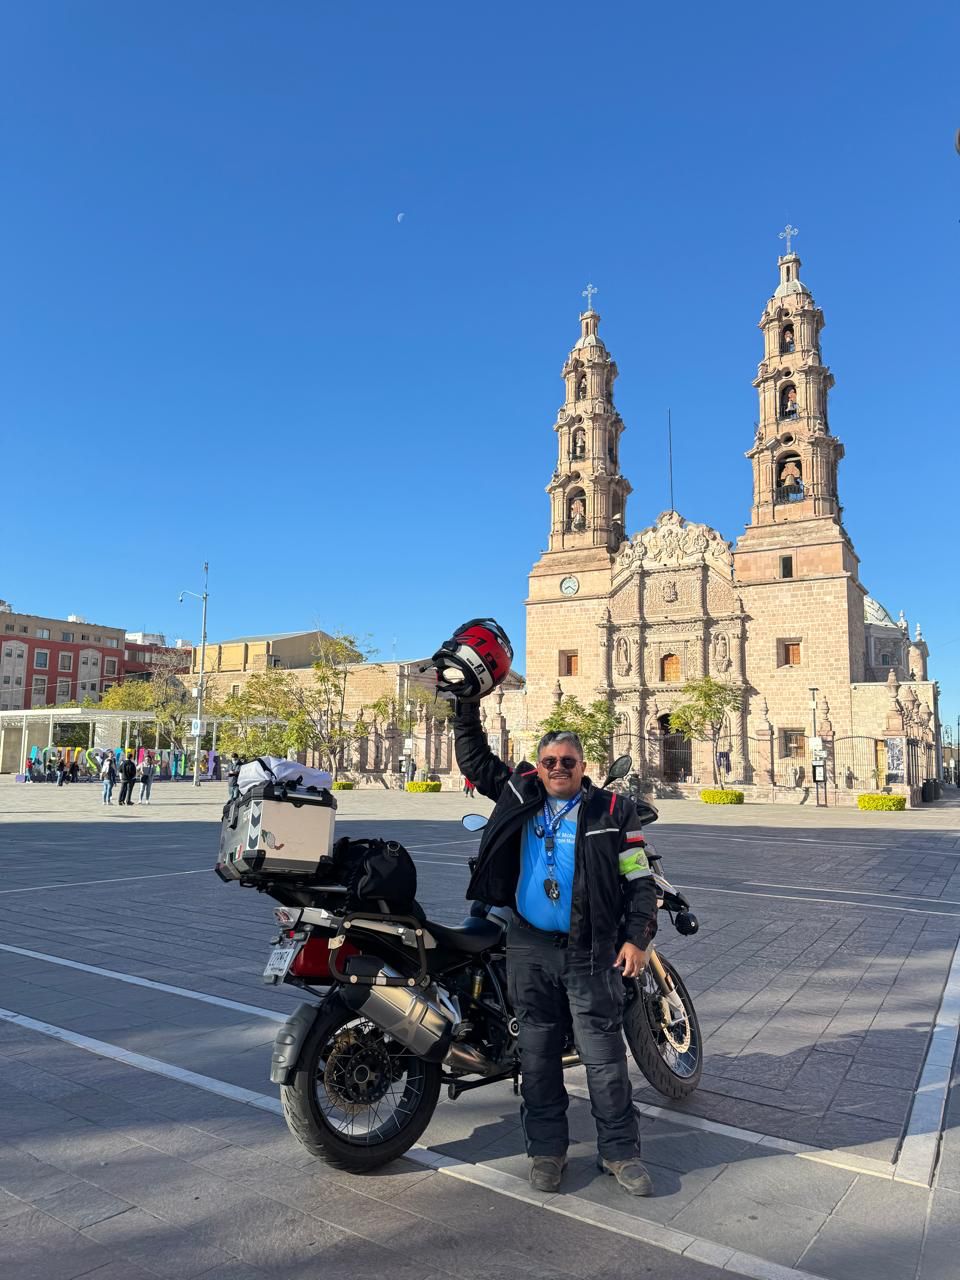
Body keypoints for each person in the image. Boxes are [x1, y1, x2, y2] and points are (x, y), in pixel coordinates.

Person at [454, 704, 657, 1198]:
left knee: (605, 1060)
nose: (559, 769)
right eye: (550, 762)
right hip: (528, 948)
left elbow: (640, 879)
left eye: (569, 761)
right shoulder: (521, 795)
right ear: (538, 766)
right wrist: (464, 706)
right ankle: (547, 1152)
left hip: (591, 953)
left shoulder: (612, 811)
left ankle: (620, 1153)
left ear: (583, 766)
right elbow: (477, 761)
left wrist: (637, 939)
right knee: (539, 1058)